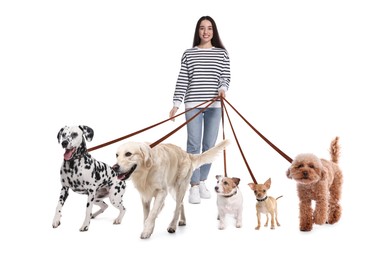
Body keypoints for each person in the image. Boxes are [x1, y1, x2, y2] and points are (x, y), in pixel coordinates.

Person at [169, 16, 231, 204]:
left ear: (214, 31)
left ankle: (203, 180)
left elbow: (225, 76)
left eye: (209, 28)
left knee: (209, 147)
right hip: (192, 104)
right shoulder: (189, 53)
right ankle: (193, 185)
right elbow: (183, 79)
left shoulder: (222, 53)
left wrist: (222, 89)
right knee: (193, 146)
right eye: (202, 28)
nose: (206, 32)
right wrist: (176, 104)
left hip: (214, 105)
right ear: (198, 31)